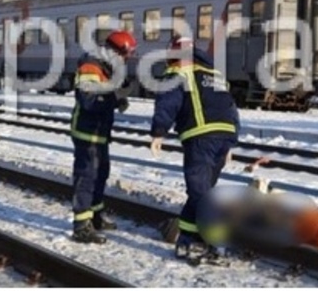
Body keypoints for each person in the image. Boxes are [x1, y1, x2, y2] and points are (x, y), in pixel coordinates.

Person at [149, 35, 239, 260]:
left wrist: (158, 132)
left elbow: (168, 103)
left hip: (201, 139)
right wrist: (231, 142)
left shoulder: (179, 74)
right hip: (224, 136)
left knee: (201, 195)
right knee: (201, 192)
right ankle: (187, 239)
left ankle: (217, 245)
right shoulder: (215, 75)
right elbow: (230, 108)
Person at [70, 29, 137, 244]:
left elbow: (102, 94)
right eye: (126, 55)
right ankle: (81, 226)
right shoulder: (91, 66)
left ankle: (95, 218)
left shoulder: (105, 66)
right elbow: (89, 100)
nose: (127, 59)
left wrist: (115, 100)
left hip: (98, 132)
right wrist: (113, 98)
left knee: (100, 174)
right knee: (87, 176)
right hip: (87, 131)